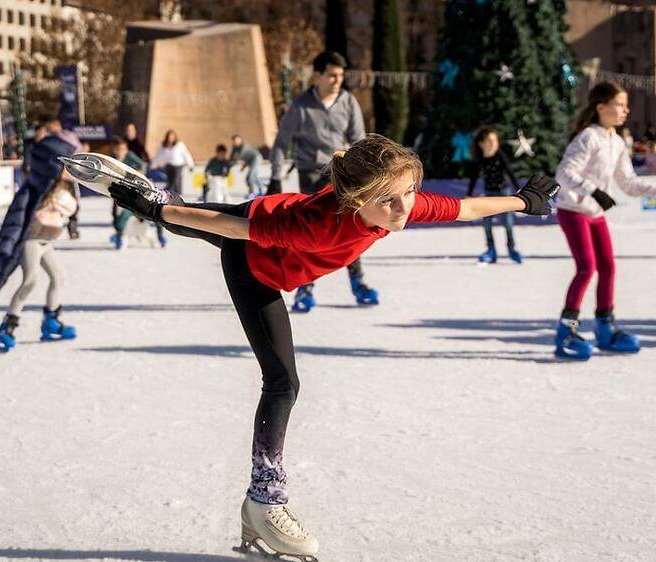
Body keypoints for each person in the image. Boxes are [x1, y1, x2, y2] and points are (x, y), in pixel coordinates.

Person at [74, 134, 559, 560]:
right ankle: (266, 500)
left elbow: (463, 208)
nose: (405, 207)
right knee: (282, 382)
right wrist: (157, 211)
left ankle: (153, 197)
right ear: (356, 200)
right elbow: (226, 229)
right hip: (254, 265)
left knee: (206, 225)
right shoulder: (318, 222)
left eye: (408, 192)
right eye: (391, 199)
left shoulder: (393, 204)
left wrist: (521, 201)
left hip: (276, 251)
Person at [268, 50, 377, 312]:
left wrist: (364, 173)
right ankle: (305, 288)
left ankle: (358, 283)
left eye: (340, 75)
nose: (337, 80)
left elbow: (359, 139)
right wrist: (275, 177)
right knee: (311, 232)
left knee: (352, 228)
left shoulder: (348, 102)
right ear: (317, 76)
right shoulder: (301, 106)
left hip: (341, 174)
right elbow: (282, 143)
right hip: (311, 173)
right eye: (331, 75)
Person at [554, 81, 656, 360]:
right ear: (601, 107)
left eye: (625, 105)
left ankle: (605, 328)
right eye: (620, 104)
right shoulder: (588, 137)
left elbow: (629, 183)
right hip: (573, 210)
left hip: (595, 214)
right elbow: (564, 173)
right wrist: (594, 191)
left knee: (608, 267)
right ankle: (566, 332)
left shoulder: (617, 141)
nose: (626, 110)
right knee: (587, 268)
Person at [0, 116, 79, 351]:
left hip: (47, 240)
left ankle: (51, 321)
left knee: (58, 277)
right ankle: (7, 326)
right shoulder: (39, 188)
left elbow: (71, 208)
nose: (70, 170)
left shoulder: (63, 186)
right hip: (33, 239)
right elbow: (19, 217)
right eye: (66, 166)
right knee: (30, 280)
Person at [467, 126, 523, 264]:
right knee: (486, 223)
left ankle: (512, 249)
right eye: (489, 141)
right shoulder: (479, 159)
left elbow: (510, 172)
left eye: (495, 141)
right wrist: (469, 194)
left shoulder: (500, 156)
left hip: (503, 194)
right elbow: (473, 177)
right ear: (481, 144)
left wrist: (518, 189)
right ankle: (491, 250)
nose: (493, 144)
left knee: (508, 223)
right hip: (488, 194)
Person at [111, 137, 166, 249]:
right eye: (118, 149)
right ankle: (119, 234)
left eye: (123, 149)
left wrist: (133, 174)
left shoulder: (130, 156)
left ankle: (159, 236)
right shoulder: (113, 159)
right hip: (118, 190)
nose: (121, 151)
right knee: (116, 213)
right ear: (114, 150)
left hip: (135, 191)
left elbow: (143, 166)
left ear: (126, 149)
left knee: (148, 212)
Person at [150, 129, 194, 196]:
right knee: (170, 181)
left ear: (175, 137)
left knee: (176, 181)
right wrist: (152, 164)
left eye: (172, 136)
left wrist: (191, 164)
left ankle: (178, 195)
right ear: (167, 137)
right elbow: (158, 156)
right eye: (170, 136)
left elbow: (186, 154)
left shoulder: (179, 145)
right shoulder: (164, 146)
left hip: (178, 165)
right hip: (168, 166)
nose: (171, 138)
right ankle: (170, 195)